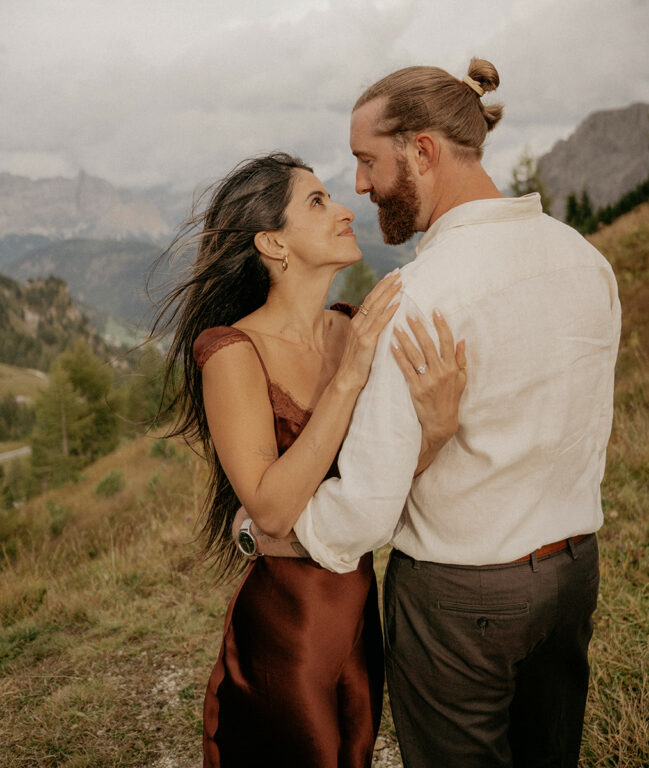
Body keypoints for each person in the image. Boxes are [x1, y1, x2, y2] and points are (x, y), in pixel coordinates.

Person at [260, 60, 621, 768]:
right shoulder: (583, 259)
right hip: (573, 573)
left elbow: (364, 509)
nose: (359, 185)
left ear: (421, 151)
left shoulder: (413, 299)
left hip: (464, 599)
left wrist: (268, 531)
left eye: (368, 161)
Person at [152, 152, 466, 768]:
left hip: (358, 610)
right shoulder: (231, 351)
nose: (346, 208)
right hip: (287, 629)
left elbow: (385, 481)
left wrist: (436, 429)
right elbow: (268, 507)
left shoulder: (354, 327)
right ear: (273, 242)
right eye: (317, 202)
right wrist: (349, 378)